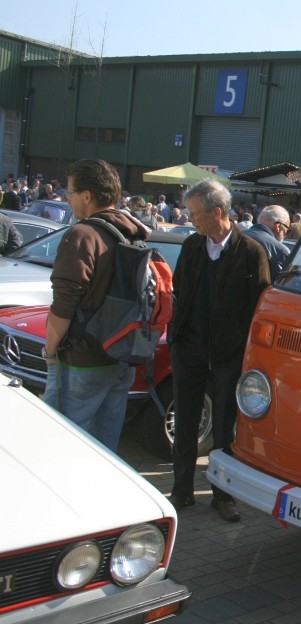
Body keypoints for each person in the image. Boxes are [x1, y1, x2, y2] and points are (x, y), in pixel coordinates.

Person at [167, 178, 271, 521]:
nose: (190, 219)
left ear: (217, 212)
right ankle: (181, 490)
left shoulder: (250, 252)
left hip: (228, 353)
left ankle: (223, 495)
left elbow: (259, 305)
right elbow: (179, 289)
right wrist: (178, 335)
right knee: (186, 420)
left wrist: (243, 350)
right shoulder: (192, 246)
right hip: (189, 347)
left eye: (195, 213)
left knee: (225, 427)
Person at [41, 159, 149, 451]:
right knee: (104, 447)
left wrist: (50, 351)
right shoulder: (134, 233)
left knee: (65, 444)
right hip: (122, 354)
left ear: (87, 196)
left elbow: (63, 304)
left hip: (82, 358)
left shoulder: (82, 235)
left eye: (70, 192)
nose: (68, 198)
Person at [245, 205, 292, 277]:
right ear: (278, 226)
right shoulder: (281, 251)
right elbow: (282, 281)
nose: (285, 235)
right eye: (287, 231)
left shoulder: (236, 236)